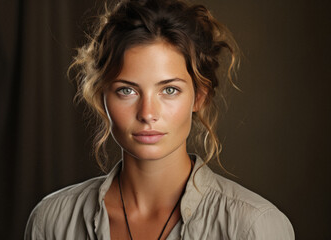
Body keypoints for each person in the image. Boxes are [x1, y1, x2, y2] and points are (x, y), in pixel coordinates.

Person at [25, 0, 294, 239]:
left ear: (198, 97)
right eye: (127, 90)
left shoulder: (254, 226)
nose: (147, 113)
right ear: (101, 97)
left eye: (169, 90)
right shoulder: (52, 221)